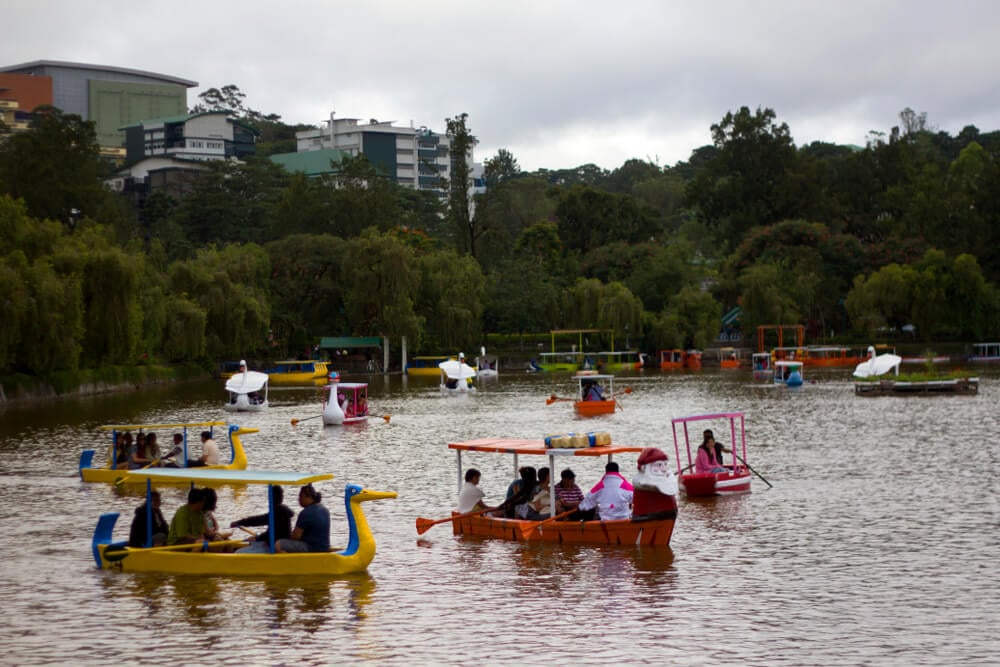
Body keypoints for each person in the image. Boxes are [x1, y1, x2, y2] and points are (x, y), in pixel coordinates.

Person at [232, 486, 295, 553]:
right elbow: (259, 520)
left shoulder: (279, 512)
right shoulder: (279, 510)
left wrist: (257, 538)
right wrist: (240, 522)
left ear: (271, 498)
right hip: (271, 542)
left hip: (273, 546)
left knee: (238, 552)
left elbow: (269, 531)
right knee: (252, 543)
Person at [276, 484, 330, 553]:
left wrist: (286, 537)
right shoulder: (324, 510)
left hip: (310, 548)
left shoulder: (306, 513)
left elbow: (296, 536)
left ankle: (290, 562)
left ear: (307, 497)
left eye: (300, 497)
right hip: (324, 547)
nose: (299, 499)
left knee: (278, 544)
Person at [632, 447, 679, 520]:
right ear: (644, 468)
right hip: (649, 515)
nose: (664, 469)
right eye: (659, 465)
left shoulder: (661, 481)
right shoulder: (642, 482)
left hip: (664, 514)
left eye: (665, 464)